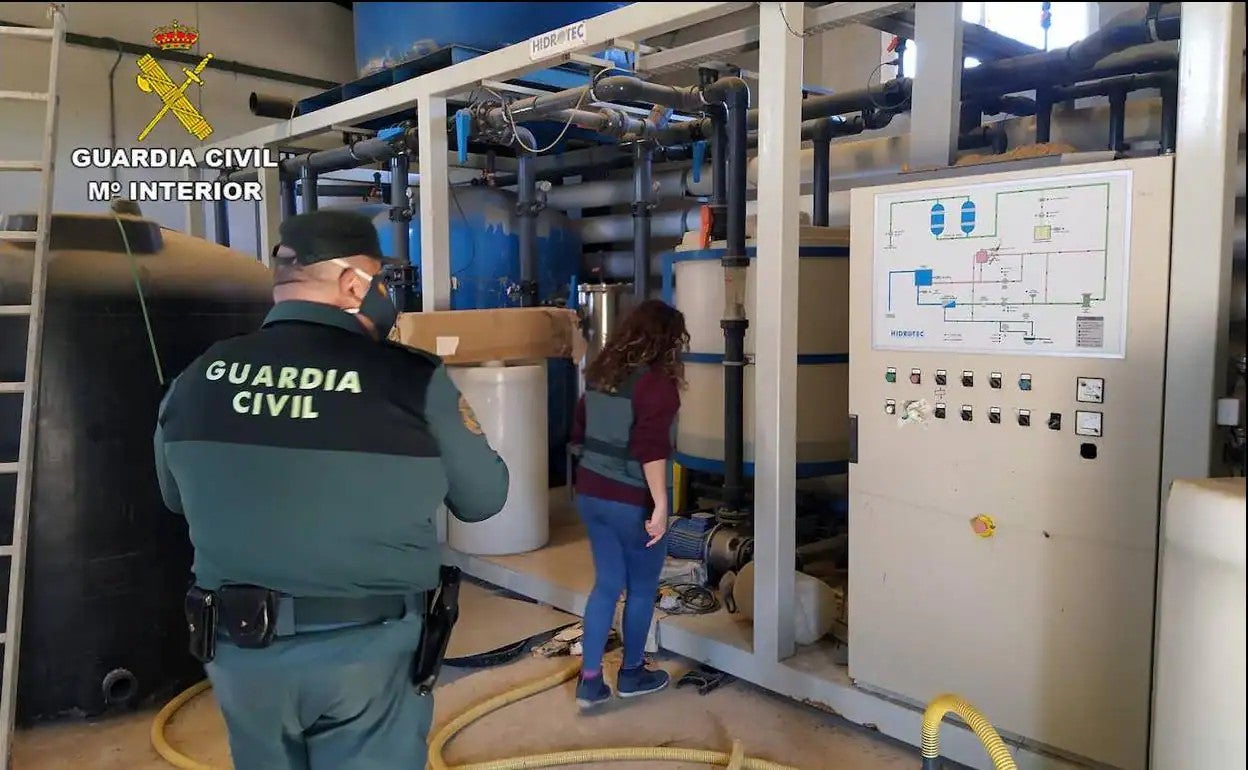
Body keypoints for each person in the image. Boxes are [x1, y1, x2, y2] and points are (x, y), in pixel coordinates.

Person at [152, 209, 510, 770]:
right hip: (368, 653)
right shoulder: (411, 379)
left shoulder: (201, 375)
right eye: (380, 280)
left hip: (239, 650)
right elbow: (485, 498)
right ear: (351, 284)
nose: (385, 293)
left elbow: (175, 498)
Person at [569, 298, 689, 709]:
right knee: (641, 589)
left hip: (590, 493)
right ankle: (632, 674)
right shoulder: (657, 384)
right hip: (629, 501)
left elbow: (580, 430)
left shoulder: (601, 373)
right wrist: (660, 505)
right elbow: (650, 448)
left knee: (605, 585)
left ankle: (589, 682)